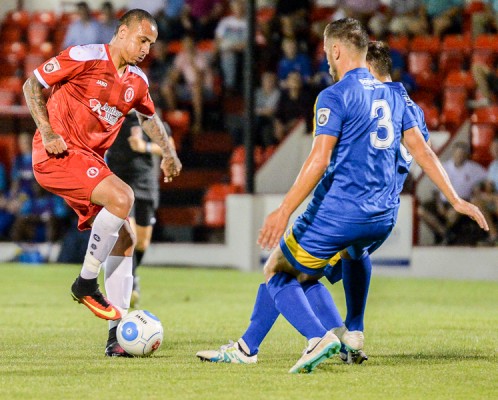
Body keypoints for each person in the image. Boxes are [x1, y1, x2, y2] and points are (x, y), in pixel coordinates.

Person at [197, 19, 488, 374]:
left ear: (336, 50)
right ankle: (338, 334)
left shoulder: (334, 95)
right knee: (333, 261)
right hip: (383, 215)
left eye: (325, 51)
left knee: (277, 270)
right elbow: (424, 152)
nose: (325, 59)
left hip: (340, 211)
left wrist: (284, 210)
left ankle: (317, 338)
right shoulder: (397, 95)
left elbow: (319, 159)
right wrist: (456, 199)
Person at [23, 9, 182, 357]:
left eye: (151, 44)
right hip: (57, 152)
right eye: (142, 40)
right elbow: (31, 84)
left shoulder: (137, 81)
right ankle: (85, 283)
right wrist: (47, 131)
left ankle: (117, 336)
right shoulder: (85, 56)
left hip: (88, 162)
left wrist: (168, 154)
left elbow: (150, 119)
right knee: (123, 197)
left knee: (124, 237)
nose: (146, 49)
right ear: (122, 32)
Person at [106, 112, 168, 307]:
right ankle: (129, 286)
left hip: (145, 184)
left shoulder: (151, 120)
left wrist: (145, 147)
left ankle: (133, 274)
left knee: (142, 242)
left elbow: (169, 147)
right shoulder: (112, 118)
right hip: (121, 185)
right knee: (129, 234)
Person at [418, 142, 487, 245]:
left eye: (462, 154)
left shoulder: (475, 169)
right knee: (421, 210)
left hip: (464, 201)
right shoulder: (443, 167)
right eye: (457, 153)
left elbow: (486, 181)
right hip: (444, 201)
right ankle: (445, 234)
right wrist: (439, 205)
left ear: (466, 155)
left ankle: (448, 238)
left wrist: (478, 189)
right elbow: (436, 190)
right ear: (453, 153)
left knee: (454, 212)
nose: (459, 156)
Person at [214, 0, 247, 94]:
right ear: (232, 8)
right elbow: (218, 38)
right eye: (236, 6)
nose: (238, 8)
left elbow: (248, 42)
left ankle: (229, 85)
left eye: (240, 6)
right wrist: (216, 51)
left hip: (240, 50)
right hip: (224, 49)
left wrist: (231, 48)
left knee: (229, 55)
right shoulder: (225, 21)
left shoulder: (248, 22)